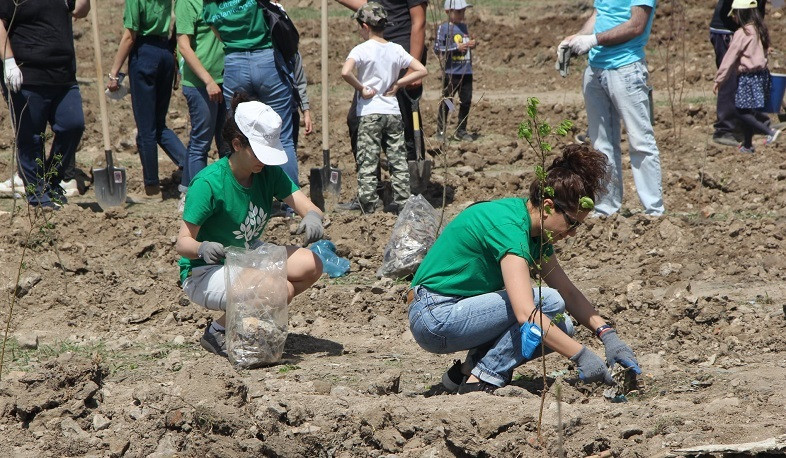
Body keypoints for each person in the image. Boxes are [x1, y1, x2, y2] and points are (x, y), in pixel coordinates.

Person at [407, 144, 641, 393]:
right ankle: (483, 378)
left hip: (459, 312)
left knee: (562, 326)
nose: (572, 233)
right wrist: (582, 355)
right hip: (435, 316)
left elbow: (568, 292)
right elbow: (525, 312)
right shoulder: (510, 228)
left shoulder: (535, 231)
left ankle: (467, 371)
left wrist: (607, 335)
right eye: (571, 223)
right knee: (547, 302)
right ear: (549, 206)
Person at [176, 95, 325, 356]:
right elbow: (183, 242)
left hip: (245, 254)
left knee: (312, 265)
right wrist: (202, 248)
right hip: (205, 270)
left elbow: (309, 207)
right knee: (281, 290)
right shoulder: (209, 183)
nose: (264, 161)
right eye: (259, 153)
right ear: (236, 144)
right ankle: (218, 332)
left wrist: (312, 217)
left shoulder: (267, 173)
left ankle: (248, 321)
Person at [560, 0, 664, 216]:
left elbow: (637, 25)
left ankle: (653, 211)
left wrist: (594, 40)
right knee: (601, 143)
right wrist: (576, 38)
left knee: (640, 141)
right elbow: (600, 14)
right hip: (595, 67)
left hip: (625, 68)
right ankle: (606, 209)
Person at [335, 0, 427, 205]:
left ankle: (371, 199)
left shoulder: (361, 49)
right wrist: (400, 81)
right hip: (391, 106)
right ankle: (400, 197)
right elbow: (422, 69)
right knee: (396, 153)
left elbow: (345, 72)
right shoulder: (392, 49)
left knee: (375, 152)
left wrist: (361, 88)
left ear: (365, 27)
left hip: (372, 110)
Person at [0, 0, 90, 208]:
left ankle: (52, 179)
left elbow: (80, 11)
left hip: (63, 75)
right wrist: (8, 61)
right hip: (27, 75)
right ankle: (37, 194)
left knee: (73, 125)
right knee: (31, 138)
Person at [202, 0, 300, 185]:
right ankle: (290, 206)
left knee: (237, 135)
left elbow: (220, 35)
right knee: (283, 136)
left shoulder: (208, 5)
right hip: (267, 60)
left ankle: (242, 197)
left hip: (235, 62)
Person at [107, 0, 186, 199]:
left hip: (144, 55)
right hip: (165, 53)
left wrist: (114, 73)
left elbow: (129, 36)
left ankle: (151, 186)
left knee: (146, 129)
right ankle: (190, 164)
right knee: (158, 124)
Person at [176, 0, 228, 210]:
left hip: (226, 79)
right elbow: (184, 46)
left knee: (226, 142)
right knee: (201, 143)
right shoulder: (188, 2)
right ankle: (197, 200)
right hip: (200, 84)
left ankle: (224, 195)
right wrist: (208, 81)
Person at [713, 0, 780, 153]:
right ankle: (748, 145)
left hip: (747, 78)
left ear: (740, 14)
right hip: (761, 76)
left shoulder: (741, 34)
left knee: (740, 111)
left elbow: (729, 58)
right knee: (749, 110)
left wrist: (719, 79)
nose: (733, 18)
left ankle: (769, 132)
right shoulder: (759, 29)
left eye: (735, 14)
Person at [434, 0, 477, 142]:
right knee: (448, 101)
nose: (461, 14)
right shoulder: (444, 29)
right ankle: (441, 131)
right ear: (448, 12)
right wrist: (455, 48)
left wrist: (471, 45)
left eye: (463, 11)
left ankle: (461, 130)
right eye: (458, 11)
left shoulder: (464, 27)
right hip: (451, 72)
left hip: (466, 71)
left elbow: (466, 47)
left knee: (466, 101)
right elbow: (438, 48)